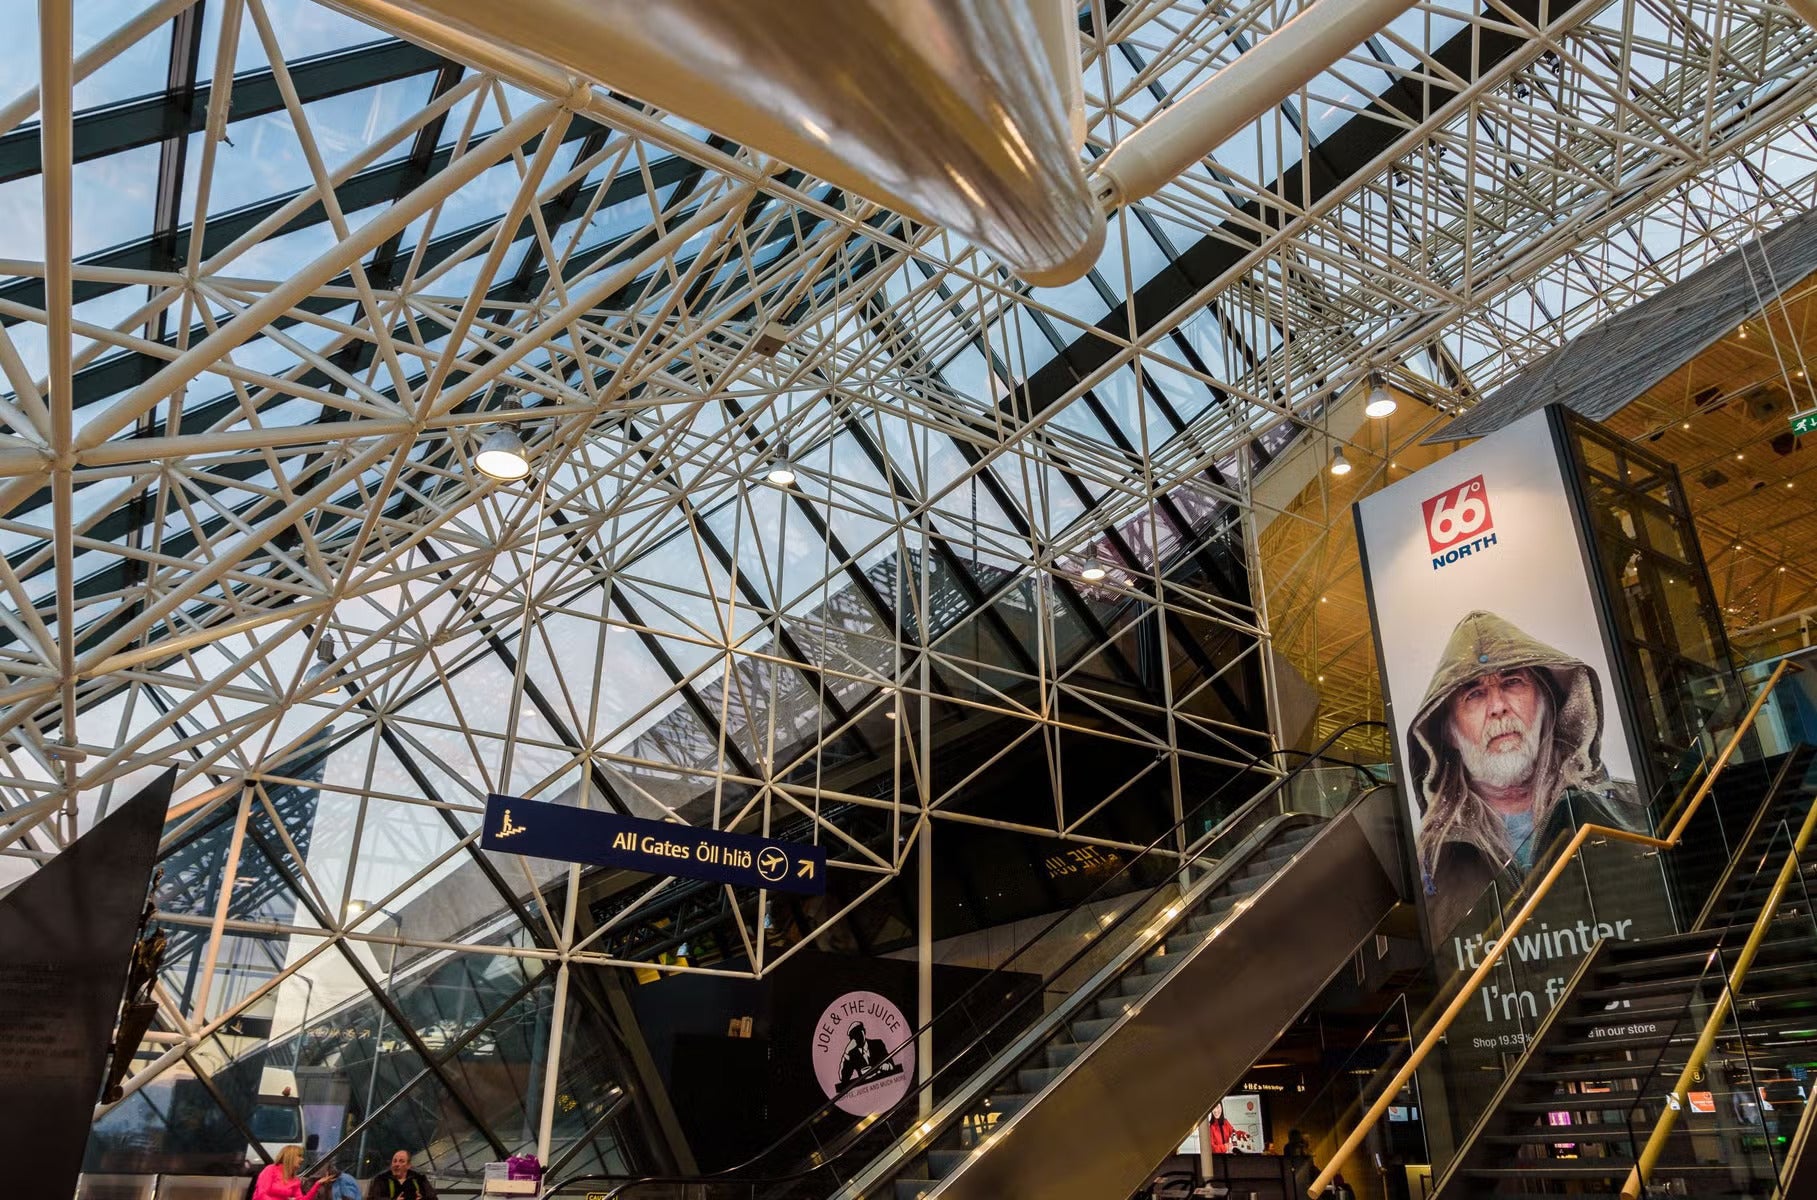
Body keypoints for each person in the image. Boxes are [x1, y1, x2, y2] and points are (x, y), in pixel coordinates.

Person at [1406, 611, 1642, 936]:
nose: (1498, 707)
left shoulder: (1629, 811)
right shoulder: (1428, 862)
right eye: (1474, 695)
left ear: (1546, 702)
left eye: (1512, 682)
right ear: (1447, 733)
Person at [253, 1146, 323, 1200]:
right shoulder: (271, 1169)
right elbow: (261, 1194)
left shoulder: (295, 1180)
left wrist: (318, 1184)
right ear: (290, 1156)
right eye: (299, 1156)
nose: (302, 1159)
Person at [366, 1151, 436, 1200]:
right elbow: (373, 1198)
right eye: (395, 1161)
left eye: (401, 1161)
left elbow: (433, 1198)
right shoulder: (381, 1179)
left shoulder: (420, 1179)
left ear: (408, 1165)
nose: (397, 1164)